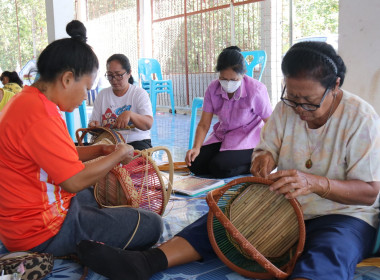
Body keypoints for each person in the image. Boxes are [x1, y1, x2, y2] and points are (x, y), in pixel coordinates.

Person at [76, 41, 380, 280]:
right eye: (292, 98)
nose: (299, 109)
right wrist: (263, 160)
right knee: (221, 216)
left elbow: (368, 192)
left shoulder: (360, 119)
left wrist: (315, 183)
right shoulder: (286, 109)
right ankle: (146, 262)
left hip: (342, 214)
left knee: (330, 253)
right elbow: (267, 148)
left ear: (336, 85)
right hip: (287, 201)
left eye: (309, 102)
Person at [0, 20, 162, 258]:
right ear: (67, 79)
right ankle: (76, 247)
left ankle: (88, 238)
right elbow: (73, 181)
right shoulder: (40, 115)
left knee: (93, 194)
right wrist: (117, 154)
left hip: (23, 222)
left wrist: (100, 152)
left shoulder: (28, 100)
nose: (85, 97)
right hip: (41, 232)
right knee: (151, 224)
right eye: (86, 87)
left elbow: (61, 155)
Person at [185, 46, 272, 178]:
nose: (228, 84)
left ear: (243, 74)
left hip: (249, 138)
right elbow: (204, 124)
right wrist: (196, 147)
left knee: (220, 168)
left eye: (233, 80)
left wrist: (270, 152)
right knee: (195, 164)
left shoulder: (256, 90)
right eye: (223, 79)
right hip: (224, 135)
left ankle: (254, 162)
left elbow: (270, 122)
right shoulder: (213, 89)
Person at [88, 54, 153, 150]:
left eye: (119, 75)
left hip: (136, 142)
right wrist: (93, 126)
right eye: (110, 75)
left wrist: (130, 114)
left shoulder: (139, 94)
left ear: (129, 73)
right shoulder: (102, 95)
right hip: (109, 143)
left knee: (134, 160)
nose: (114, 80)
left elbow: (148, 124)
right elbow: (92, 127)